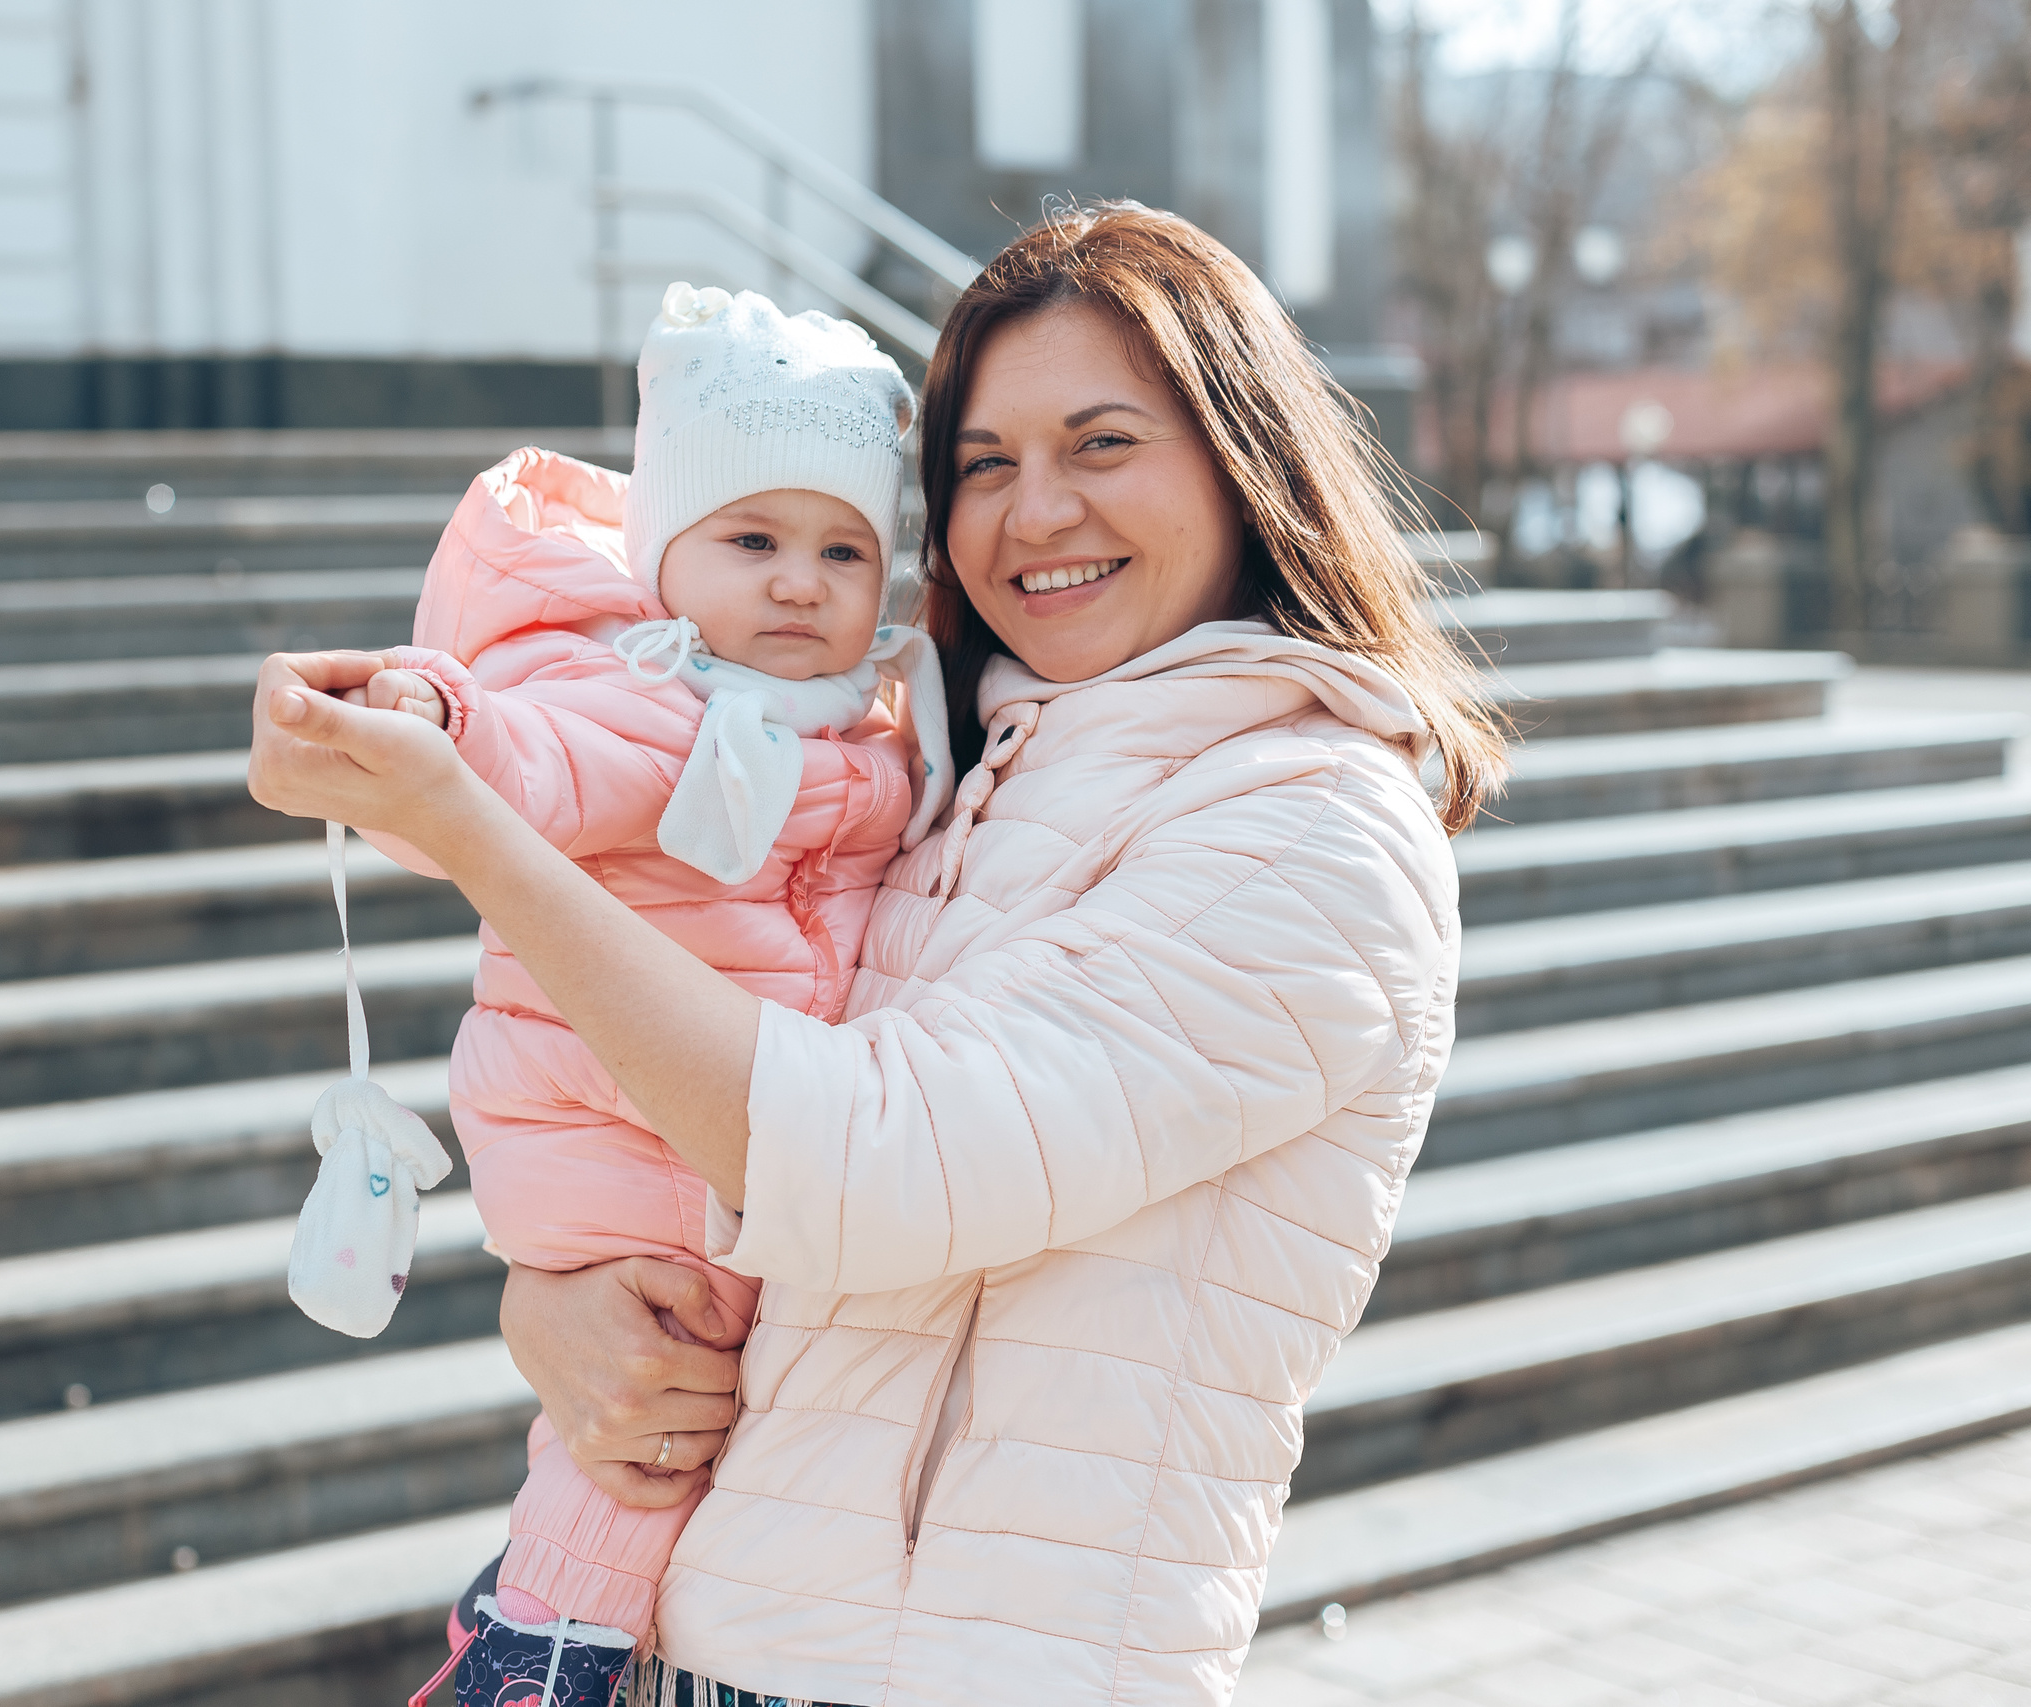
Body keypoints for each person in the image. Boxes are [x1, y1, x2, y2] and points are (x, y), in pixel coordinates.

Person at [250, 203, 1508, 1706]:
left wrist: (473, 831)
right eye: (984, 465)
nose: (1034, 513)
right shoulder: (964, 763)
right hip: (722, 1636)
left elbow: (869, 1160)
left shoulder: (1314, 826)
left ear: (1247, 459)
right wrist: (567, 1300)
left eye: (1101, 444)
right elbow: (735, 1141)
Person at [344, 284, 950, 1707]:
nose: (798, 582)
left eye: (841, 549)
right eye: (752, 541)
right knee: (643, 1435)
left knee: (669, 1424)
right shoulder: (648, 701)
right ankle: (533, 1657)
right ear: (666, 556)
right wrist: (436, 725)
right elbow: (526, 767)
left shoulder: (861, 725)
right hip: (624, 1147)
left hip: (728, 1140)